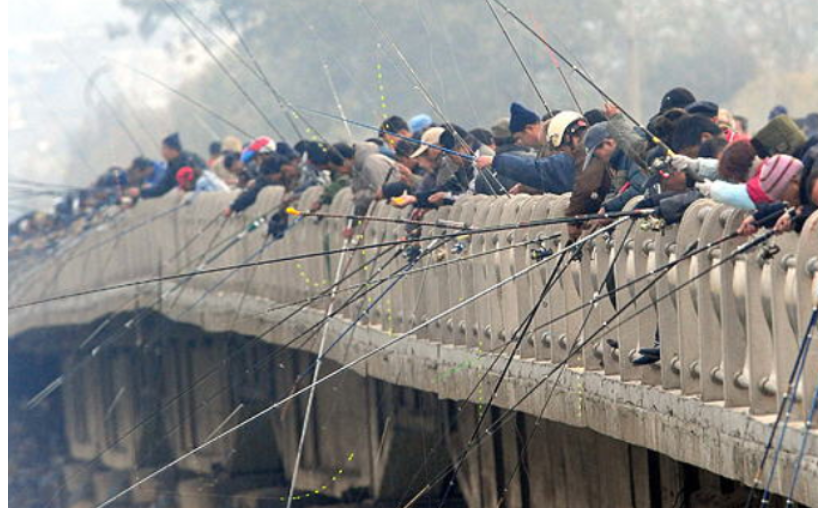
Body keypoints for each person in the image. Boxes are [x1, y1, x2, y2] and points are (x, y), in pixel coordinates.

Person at [138, 133, 205, 199]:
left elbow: (194, 182)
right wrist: (142, 192)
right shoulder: (173, 164)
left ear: (173, 150)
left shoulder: (186, 161)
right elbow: (162, 187)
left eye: (164, 148)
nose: (162, 152)